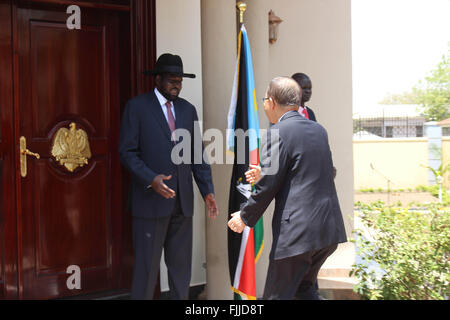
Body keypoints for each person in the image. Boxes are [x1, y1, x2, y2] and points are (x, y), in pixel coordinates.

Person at [228, 77, 347, 300]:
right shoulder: (318, 130)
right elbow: (320, 171)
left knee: (276, 296)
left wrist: (244, 217)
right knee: (304, 291)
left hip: (297, 235)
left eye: (264, 100)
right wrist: (265, 172)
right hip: (326, 230)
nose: (264, 106)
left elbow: (268, 186)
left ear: (272, 102)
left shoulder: (277, 132)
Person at [119, 53, 218, 300]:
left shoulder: (187, 110)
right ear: (158, 80)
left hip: (182, 205)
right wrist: (151, 178)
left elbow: (197, 154)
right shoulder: (137, 107)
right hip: (150, 203)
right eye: (172, 80)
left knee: (180, 272)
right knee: (146, 271)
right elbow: (127, 152)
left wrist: (207, 191)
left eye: (180, 81)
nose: (177, 85)